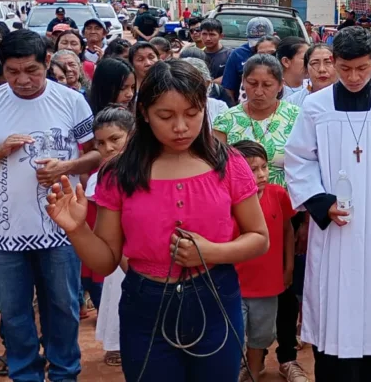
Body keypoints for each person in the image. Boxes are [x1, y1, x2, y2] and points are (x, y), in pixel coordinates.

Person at [44, 60, 269, 381]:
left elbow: (259, 238)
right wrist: (77, 229)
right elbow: (106, 260)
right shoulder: (120, 172)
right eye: (166, 116)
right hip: (144, 306)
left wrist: (210, 252)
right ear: (145, 113)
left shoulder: (228, 163)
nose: (181, 127)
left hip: (216, 297)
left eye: (192, 114)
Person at [0, 30, 101, 382]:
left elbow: (100, 154)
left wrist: (66, 167)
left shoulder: (70, 101)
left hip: (61, 227)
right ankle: (25, 374)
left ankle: (65, 373)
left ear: (46, 63)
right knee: (14, 312)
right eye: (12, 72)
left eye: (31, 71)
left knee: (64, 308)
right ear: (2, 68)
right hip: (6, 231)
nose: (22, 80)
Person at [284, 26, 371, 381]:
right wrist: (322, 202)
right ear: (334, 63)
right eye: (345, 69)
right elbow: (299, 159)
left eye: (362, 68)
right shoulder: (316, 106)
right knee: (335, 309)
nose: (354, 77)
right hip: (335, 232)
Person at [230, 140, 296, 382]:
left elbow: (288, 230)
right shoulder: (227, 200)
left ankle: (254, 372)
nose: (260, 175)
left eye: (264, 167)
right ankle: (237, 370)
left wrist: (288, 267)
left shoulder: (278, 195)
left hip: (268, 285)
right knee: (234, 334)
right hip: (234, 284)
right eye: (252, 169)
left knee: (260, 336)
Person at [86, 107, 134, 368]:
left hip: (149, 251)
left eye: (115, 139)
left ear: (132, 135)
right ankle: (116, 342)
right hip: (120, 251)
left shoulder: (150, 168)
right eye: (101, 143)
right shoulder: (104, 176)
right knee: (119, 294)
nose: (108, 148)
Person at [213, 54, 301, 188]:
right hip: (239, 201)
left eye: (267, 85)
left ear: (280, 85)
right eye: (252, 83)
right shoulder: (226, 120)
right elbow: (215, 168)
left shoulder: (296, 117)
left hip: (288, 203)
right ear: (243, 81)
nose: (259, 92)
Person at [222, 17, 275, 99]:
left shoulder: (280, 52)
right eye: (255, 44)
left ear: (274, 36)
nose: (257, 47)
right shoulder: (237, 54)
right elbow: (228, 88)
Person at [286, 43, 336, 108]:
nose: (322, 69)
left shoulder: (351, 99)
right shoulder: (292, 102)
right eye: (315, 63)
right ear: (306, 69)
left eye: (328, 62)